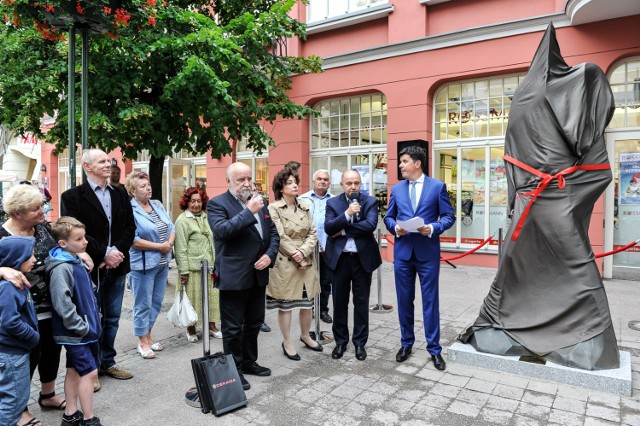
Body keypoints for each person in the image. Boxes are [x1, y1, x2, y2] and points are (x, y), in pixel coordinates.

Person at [1, 184, 77, 426]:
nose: (42, 210)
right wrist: (1, 270)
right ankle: (20, 408)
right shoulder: (2, 235)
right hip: (21, 307)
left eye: (41, 205)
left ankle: (48, 394)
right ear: (17, 213)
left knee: (52, 350)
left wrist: (79, 252)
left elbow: (61, 245)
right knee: (27, 357)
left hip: (49, 304)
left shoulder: (43, 229)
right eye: (35, 208)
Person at [61, 148, 136, 386]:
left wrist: (116, 253)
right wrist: (104, 252)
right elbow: (73, 232)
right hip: (90, 267)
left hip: (117, 265)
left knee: (112, 317)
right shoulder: (72, 197)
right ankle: (90, 368)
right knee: (91, 316)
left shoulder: (120, 193)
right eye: (102, 161)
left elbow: (130, 228)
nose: (108, 164)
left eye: (109, 160)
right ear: (87, 166)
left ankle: (108, 361)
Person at [207, 162, 279, 390]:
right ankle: (234, 369)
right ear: (228, 181)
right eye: (241, 180)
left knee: (254, 322)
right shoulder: (217, 204)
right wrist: (249, 211)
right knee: (233, 327)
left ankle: (249, 362)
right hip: (234, 276)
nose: (247, 183)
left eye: (249, 179)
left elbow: (273, 233)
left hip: (258, 274)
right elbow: (223, 232)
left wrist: (269, 254)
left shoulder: (259, 201)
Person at [384, 146, 455, 370]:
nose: (401, 165)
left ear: (417, 163)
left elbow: (448, 216)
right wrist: (396, 228)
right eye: (401, 162)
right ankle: (406, 344)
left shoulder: (437, 186)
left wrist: (433, 227)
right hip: (403, 254)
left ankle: (434, 349)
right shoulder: (397, 189)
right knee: (404, 302)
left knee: (430, 302)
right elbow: (388, 217)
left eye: (404, 161)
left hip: (427, 254)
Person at [46, 217, 102, 426]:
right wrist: (82, 326)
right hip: (75, 333)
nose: (85, 242)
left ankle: (70, 415)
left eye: (84, 237)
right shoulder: (62, 268)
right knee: (90, 373)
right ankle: (89, 418)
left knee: (74, 371)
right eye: (79, 239)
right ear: (63, 243)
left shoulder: (75, 259)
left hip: (83, 330)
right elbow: (63, 303)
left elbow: (85, 291)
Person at [324, 169, 382, 361]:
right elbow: (328, 227)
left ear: (360, 184)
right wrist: (347, 214)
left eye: (356, 183)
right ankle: (340, 342)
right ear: (341, 184)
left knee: (361, 302)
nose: (353, 187)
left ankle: (359, 343)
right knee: (339, 302)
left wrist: (342, 231)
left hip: (362, 259)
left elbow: (370, 225)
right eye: (349, 183)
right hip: (340, 260)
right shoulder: (333, 203)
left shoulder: (370, 202)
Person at [267, 168, 322, 361]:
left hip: (306, 261)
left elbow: (313, 233)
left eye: (295, 182)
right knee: (287, 305)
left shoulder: (305, 205)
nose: (295, 185)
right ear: (281, 188)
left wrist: (304, 253)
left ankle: (305, 335)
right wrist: (297, 255)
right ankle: (287, 341)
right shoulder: (274, 208)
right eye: (289, 182)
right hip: (286, 261)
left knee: (307, 304)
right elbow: (279, 235)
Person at [125, 171, 175, 359]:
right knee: (142, 303)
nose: (148, 188)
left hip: (162, 262)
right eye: (143, 186)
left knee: (156, 302)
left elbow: (172, 227)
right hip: (143, 265)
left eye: (148, 184)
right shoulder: (130, 209)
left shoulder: (157, 205)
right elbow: (133, 240)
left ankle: (149, 335)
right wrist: (159, 246)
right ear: (132, 190)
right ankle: (141, 341)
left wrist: (168, 244)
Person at [174, 187, 221, 343]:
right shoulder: (182, 220)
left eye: (199, 201)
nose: (196, 204)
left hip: (209, 266)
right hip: (192, 268)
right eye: (192, 201)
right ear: (187, 202)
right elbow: (180, 248)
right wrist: (184, 271)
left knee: (212, 298)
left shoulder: (206, 217)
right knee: (192, 301)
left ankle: (212, 326)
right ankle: (191, 329)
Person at [0, 236, 38, 426]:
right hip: (12, 355)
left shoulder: (17, 282)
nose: (35, 259)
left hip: (14, 352)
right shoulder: (8, 287)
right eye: (30, 255)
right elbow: (10, 322)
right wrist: (33, 336)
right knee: (13, 404)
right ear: (16, 257)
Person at [299, 169, 334, 323]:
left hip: (327, 248)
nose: (322, 181)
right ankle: (309, 309)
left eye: (325, 179)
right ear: (313, 181)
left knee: (326, 282)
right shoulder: (302, 199)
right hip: (308, 249)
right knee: (309, 281)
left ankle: (322, 310)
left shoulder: (334, 200)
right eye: (319, 179)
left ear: (329, 183)